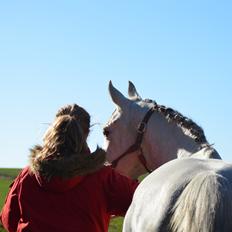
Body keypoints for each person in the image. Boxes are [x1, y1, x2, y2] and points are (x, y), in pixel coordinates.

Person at [0, 104, 138, 232]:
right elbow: (143, 203)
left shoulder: (27, 175)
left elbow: (8, 220)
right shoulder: (103, 177)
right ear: (86, 133)